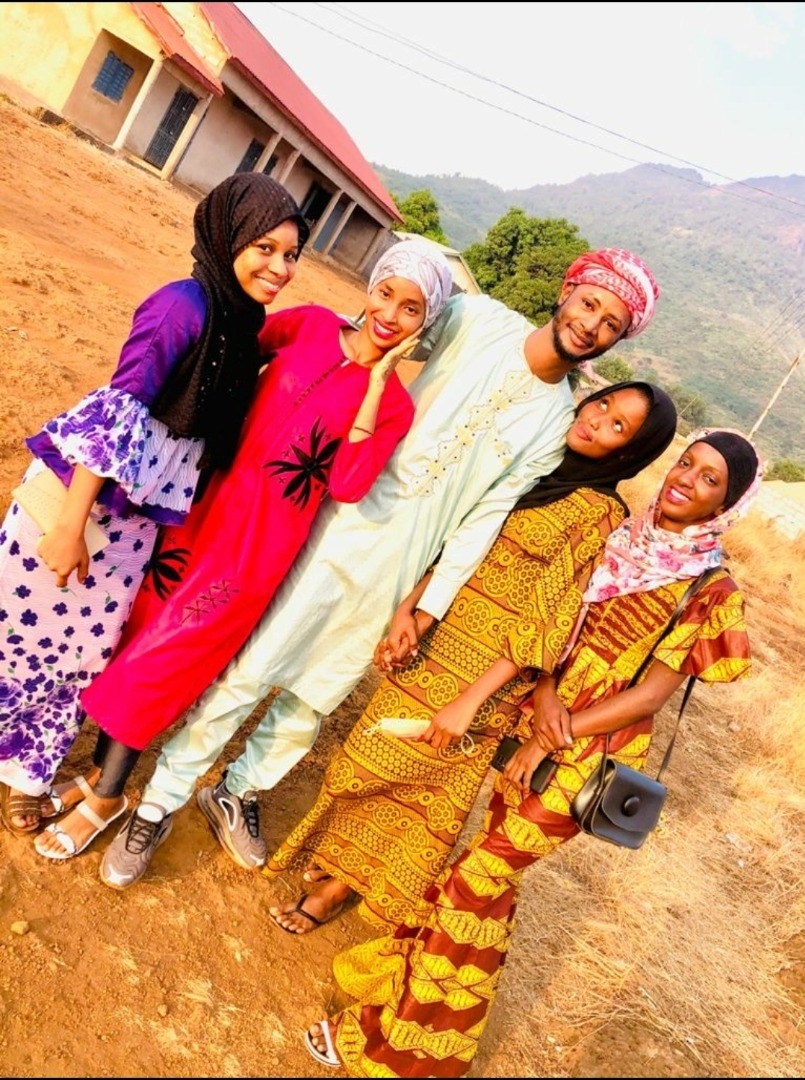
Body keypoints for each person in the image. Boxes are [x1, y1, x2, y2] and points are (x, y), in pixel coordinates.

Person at [94, 247, 662, 890]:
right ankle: (158, 803)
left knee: (316, 694)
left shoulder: (556, 421)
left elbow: (484, 515)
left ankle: (237, 789)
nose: (591, 325)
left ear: (616, 340)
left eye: (611, 324)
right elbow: (384, 326)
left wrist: (425, 606)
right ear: (567, 292)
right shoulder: (478, 320)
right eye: (590, 304)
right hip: (332, 514)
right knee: (250, 670)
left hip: (402, 562)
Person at [302, 427, 762, 1073]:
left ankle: (403, 1050)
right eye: (686, 463)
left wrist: (556, 729)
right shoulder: (622, 540)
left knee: (474, 881)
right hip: (534, 730)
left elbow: (648, 697)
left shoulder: (710, 591)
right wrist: (544, 696)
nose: (686, 479)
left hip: (587, 758)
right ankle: (417, 1003)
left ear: (726, 504)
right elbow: (560, 636)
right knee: (484, 886)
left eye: (709, 478)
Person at [34, 237, 454, 861]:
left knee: (169, 656)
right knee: (141, 627)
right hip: (200, 505)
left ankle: (109, 795)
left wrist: (375, 383)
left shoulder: (392, 407)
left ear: (426, 321)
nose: (390, 315)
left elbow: (347, 484)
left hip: (255, 549)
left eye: (411, 309)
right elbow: (233, 352)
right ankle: (100, 774)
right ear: (372, 288)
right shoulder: (310, 324)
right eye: (386, 294)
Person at [265, 380, 678, 933]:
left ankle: (342, 887)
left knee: (422, 782)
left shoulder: (598, 513)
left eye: (618, 426)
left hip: (488, 672)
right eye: (603, 403)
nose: (597, 420)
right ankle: (342, 855)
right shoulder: (536, 463)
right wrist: (411, 609)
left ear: (630, 452)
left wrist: (471, 700)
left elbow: (546, 620)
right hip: (438, 637)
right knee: (366, 757)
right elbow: (463, 544)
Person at [0, 172, 308, 837]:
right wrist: (69, 526)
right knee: (16, 634)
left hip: (138, 520)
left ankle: (27, 769)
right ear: (227, 236)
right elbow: (119, 409)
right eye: (264, 248)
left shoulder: (241, 324)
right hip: (80, 503)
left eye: (291, 255)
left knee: (81, 650)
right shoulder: (182, 306)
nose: (280, 268)